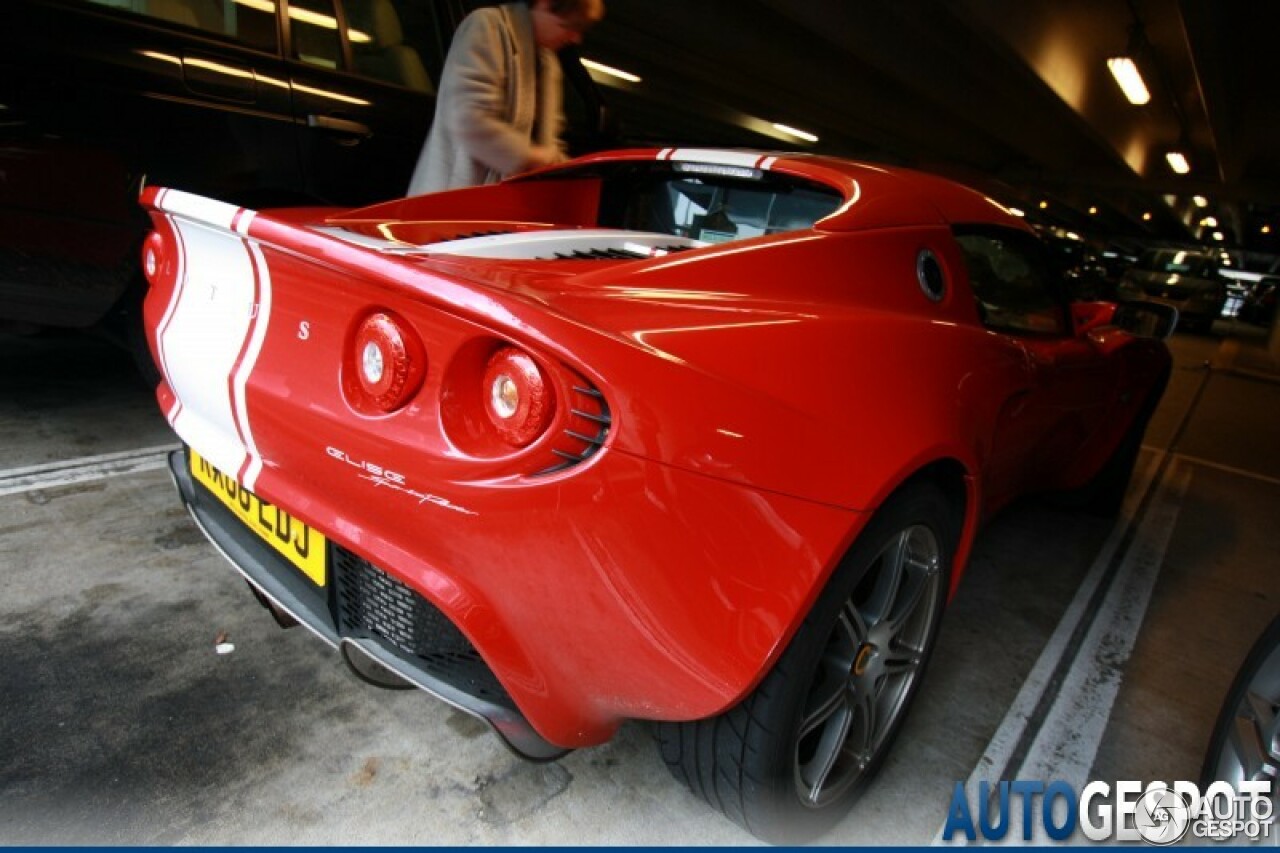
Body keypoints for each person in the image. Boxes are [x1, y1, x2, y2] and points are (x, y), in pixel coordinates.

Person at [407, 0, 604, 194]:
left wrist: (572, 171)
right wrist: (532, 158)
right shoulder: (488, 27)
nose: (575, 38)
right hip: (453, 198)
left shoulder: (548, 63)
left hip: (499, 205)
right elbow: (468, 118)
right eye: (569, 26)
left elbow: (550, 140)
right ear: (543, 4)